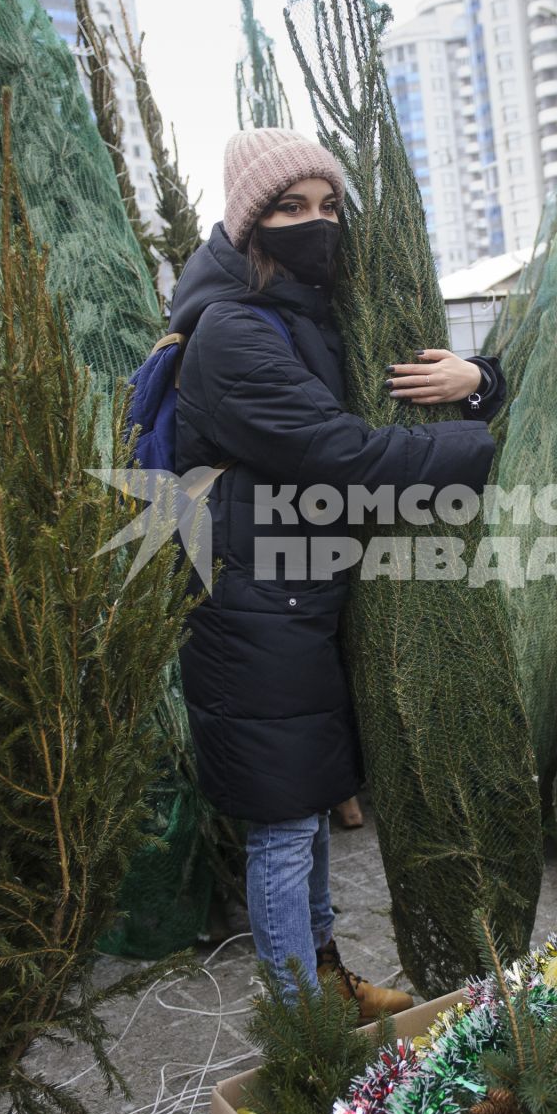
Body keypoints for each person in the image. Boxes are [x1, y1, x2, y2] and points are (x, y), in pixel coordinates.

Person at [169, 127, 507, 1017]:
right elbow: (341, 455)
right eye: (290, 208)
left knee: (309, 809)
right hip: (252, 613)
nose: (315, 225)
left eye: (327, 206)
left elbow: (400, 387)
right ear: (249, 225)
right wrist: (473, 447)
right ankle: (302, 1023)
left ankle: (324, 978)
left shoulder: (309, 315)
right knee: (283, 825)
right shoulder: (233, 336)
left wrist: (479, 381)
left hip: (300, 602)